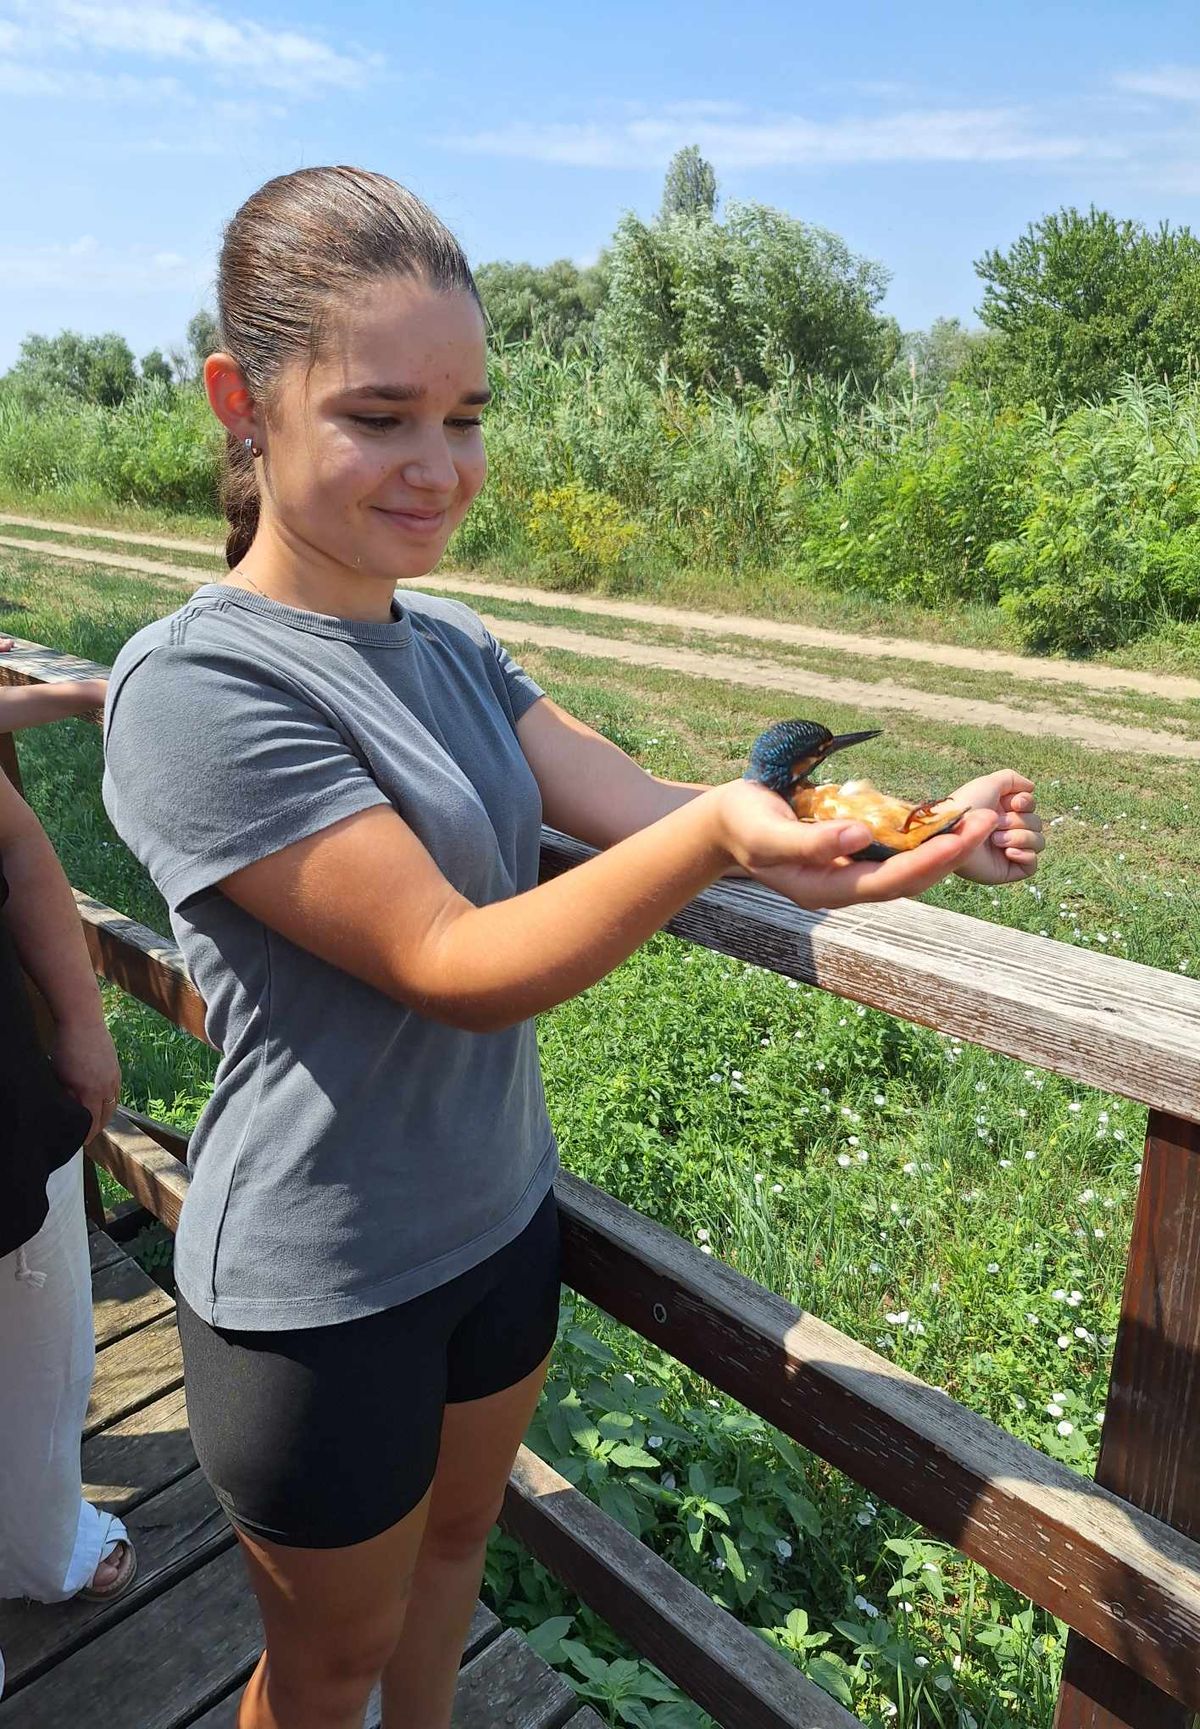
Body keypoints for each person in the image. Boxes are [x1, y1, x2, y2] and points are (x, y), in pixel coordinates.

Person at [101, 166, 1044, 1729]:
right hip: (321, 1284)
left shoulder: (454, 643)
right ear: (242, 402)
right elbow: (457, 961)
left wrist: (899, 841)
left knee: (456, 1561)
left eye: (465, 416)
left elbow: (667, 814)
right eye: (382, 414)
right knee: (321, 1668)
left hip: (494, 1223)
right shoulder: (196, 687)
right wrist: (722, 835)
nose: (437, 464)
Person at [0, 675, 133, 1702]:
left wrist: (82, 1025)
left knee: (43, 1358)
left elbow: (15, 847)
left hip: (5, 1115)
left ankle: (44, 1547)